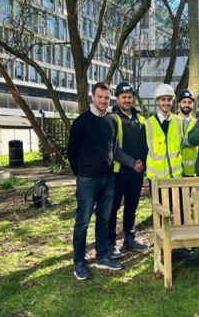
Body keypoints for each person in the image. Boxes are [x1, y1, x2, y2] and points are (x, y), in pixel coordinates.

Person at [67, 82, 144, 281]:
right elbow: (72, 152)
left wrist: (131, 162)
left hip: (108, 179)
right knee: (82, 222)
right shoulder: (82, 122)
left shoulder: (111, 121)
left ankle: (102, 256)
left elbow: (114, 150)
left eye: (106, 97)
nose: (103, 101)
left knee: (104, 219)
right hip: (87, 180)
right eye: (99, 97)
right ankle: (79, 262)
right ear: (93, 97)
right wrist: (82, 174)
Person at [108, 82, 148, 258]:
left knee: (131, 207)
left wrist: (144, 163)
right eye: (123, 97)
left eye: (129, 97)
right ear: (117, 99)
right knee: (113, 208)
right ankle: (110, 243)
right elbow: (113, 148)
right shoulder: (111, 118)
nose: (127, 100)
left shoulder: (140, 118)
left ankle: (129, 239)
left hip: (136, 173)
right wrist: (132, 163)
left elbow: (147, 144)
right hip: (117, 173)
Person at [144, 84, 184, 180]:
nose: (166, 102)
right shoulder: (148, 124)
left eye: (169, 99)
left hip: (176, 177)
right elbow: (144, 151)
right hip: (156, 179)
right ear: (157, 101)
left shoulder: (179, 121)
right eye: (163, 99)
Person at [177, 89, 198, 177]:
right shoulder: (172, 121)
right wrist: (189, 141)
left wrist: (181, 141)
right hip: (175, 170)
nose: (187, 105)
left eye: (190, 102)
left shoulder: (197, 123)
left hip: (192, 171)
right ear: (179, 104)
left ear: (193, 105)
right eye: (184, 102)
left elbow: (197, 141)